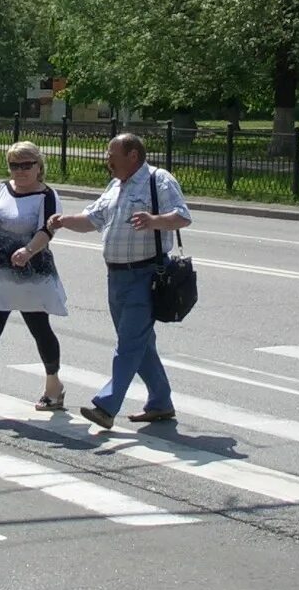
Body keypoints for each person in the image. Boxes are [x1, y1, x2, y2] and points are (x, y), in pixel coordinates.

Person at [48, 132, 192, 430]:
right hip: (116, 276)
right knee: (140, 344)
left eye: (112, 155)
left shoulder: (158, 179)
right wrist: (62, 221)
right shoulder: (116, 186)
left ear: (133, 156)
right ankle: (161, 402)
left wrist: (154, 220)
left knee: (129, 343)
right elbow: (92, 220)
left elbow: (182, 216)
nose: (107, 160)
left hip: (146, 275)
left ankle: (106, 406)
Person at [0, 141, 68, 421]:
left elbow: (47, 230)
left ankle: (53, 385)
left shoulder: (47, 196)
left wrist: (29, 250)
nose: (20, 171)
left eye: (26, 165)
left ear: (39, 166)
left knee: (40, 330)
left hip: (31, 275)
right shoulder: (1, 189)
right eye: (14, 165)